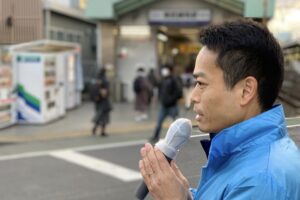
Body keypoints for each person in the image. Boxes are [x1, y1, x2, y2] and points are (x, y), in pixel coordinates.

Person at [138, 19, 300, 200]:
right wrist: (186, 197)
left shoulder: (260, 181)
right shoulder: (251, 156)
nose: (193, 96)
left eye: (201, 83)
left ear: (246, 91)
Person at [149, 66, 183, 143]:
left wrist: (171, 99)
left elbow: (178, 92)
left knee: (175, 123)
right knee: (159, 122)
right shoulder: (163, 80)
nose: (164, 71)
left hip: (172, 106)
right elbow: (159, 88)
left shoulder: (173, 80)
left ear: (170, 70)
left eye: (165, 70)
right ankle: (155, 136)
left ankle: (180, 136)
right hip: (164, 106)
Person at [91, 68, 112, 137]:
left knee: (99, 116)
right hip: (104, 102)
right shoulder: (105, 81)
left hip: (97, 101)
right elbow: (105, 92)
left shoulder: (96, 80)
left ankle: (95, 128)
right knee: (104, 117)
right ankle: (102, 131)